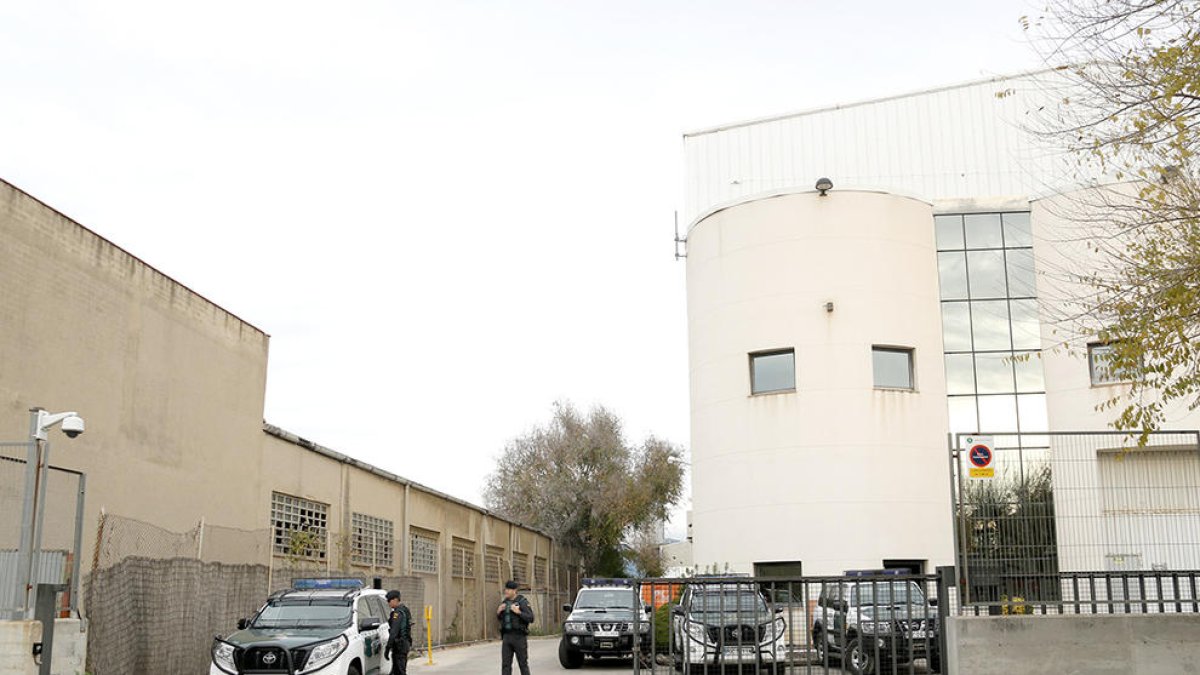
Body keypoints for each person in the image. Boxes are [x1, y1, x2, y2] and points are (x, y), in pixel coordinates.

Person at [497, 580, 534, 675]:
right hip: (507, 636)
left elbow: (531, 618)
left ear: (514, 590)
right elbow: (501, 619)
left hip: (519, 637)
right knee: (506, 664)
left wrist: (519, 612)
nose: (506, 591)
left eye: (509, 589)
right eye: (506, 589)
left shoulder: (522, 602)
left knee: (523, 664)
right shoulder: (505, 602)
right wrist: (499, 612)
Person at [385, 590, 412, 675]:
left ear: (395, 600)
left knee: (400, 671)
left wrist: (388, 647)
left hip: (400, 646)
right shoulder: (404, 609)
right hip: (404, 644)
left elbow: (394, 632)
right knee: (396, 671)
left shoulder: (398, 613)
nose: (388, 603)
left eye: (389, 601)